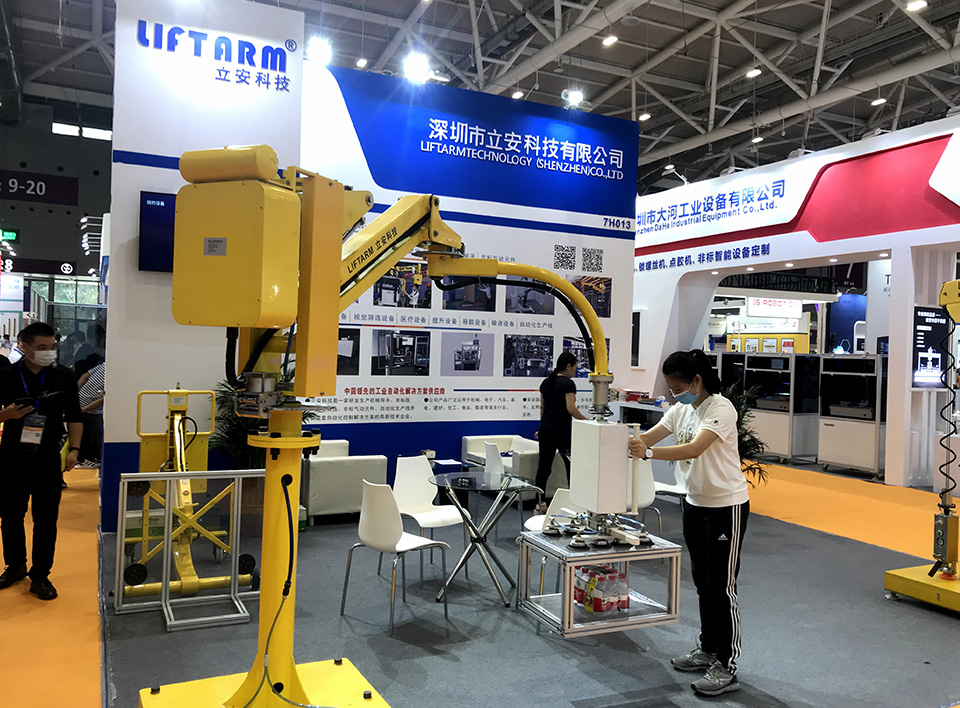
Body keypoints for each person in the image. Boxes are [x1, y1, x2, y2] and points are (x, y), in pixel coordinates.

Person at [628, 349, 748, 697]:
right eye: (670, 388)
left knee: (721, 586)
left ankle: (726, 665)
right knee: (702, 582)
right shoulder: (681, 409)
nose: (673, 393)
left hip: (726, 505)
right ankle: (707, 649)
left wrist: (648, 453)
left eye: (678, 387)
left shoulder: (721, 409)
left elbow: (694, 449)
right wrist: (619, 441)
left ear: (697, 381)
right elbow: (650, 436)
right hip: (694, 502)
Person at [0, 322, 83, 601]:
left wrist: (75, 449)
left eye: (52, 347)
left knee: (46, 519)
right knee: (10, 515)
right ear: (23, 346)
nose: (49, 352)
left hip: (48, 456)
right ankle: (15, 566)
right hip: (12, 456)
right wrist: (6, 416)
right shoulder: (6, 375)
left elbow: (75, 415)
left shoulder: (64, 376)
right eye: (42, 347)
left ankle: (41, 575)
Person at [534, 351, 588, 510]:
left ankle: (540, 502)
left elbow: (542, 408)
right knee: (571, 466)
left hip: (546, 430)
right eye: (575, 367)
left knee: (544, 467)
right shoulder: (568, 384)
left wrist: (542, 428)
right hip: (562, 431)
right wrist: (587, 420)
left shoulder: (546, 382)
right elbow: (571, 408)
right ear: (568, 366)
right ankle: (576, 501)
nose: (575, 370)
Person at [77, 359, 105, 467]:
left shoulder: (103, 365)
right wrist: (84, 410)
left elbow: (85, 376)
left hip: (80, 401)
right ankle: (102, 461)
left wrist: (74, 394)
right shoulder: (114, 376)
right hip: (91, 409)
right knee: (101, 436)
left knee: (85, 434)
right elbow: (102, 400)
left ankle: (85, 458)